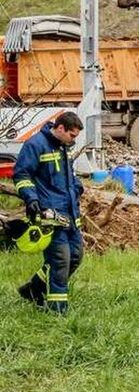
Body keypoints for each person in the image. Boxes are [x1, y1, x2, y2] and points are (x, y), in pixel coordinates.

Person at [13, 111, 85, 314]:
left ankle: (33, 289)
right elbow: (21, 174)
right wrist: (31, 198)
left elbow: (69, 173)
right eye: (72, 135)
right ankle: (57, 310)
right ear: (60, 128)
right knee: (60, 260)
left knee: (76, 257)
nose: (73, 141)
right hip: (49, 214)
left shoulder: (64, 146)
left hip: (70, 212)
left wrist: (78, 187)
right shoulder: (35, 145)